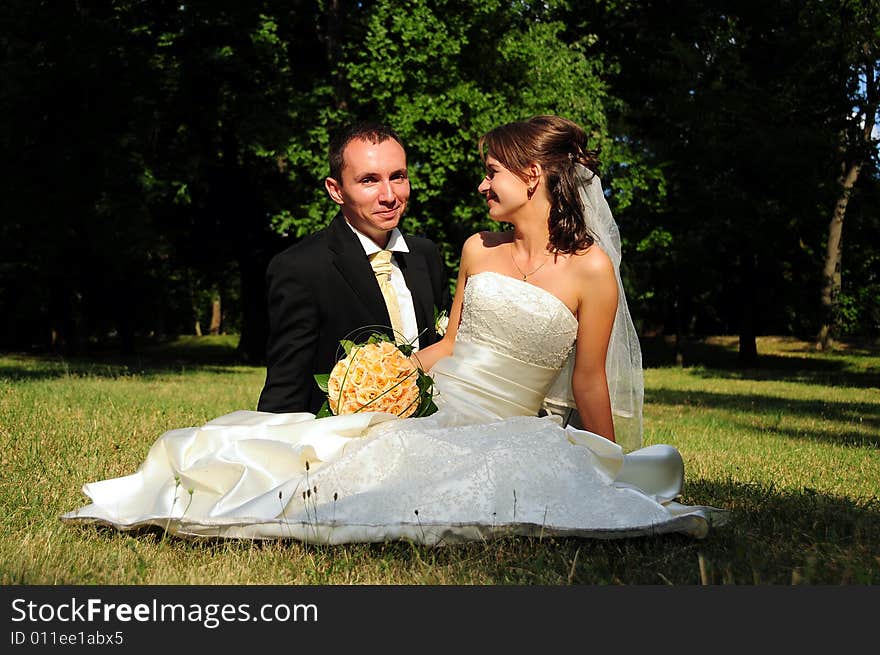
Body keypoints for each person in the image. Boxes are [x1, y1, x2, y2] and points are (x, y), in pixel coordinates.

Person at [62, 116, 727, 544]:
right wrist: (385, 375)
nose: (481, 183)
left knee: (434, 488)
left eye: (492, 170)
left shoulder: (591, 272)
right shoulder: (476, 248)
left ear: (533, 176)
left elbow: (587, 382)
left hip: (507, 424)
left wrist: (607, 468)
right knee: (327, 464)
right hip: (434, 404)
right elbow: (447, 345)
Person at [257, 121, 451, 415]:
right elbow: (287, 386)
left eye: (398, 177)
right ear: (336, 190)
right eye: (369, 180)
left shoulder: (425, 256)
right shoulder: (301, 268)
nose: (389, 195)